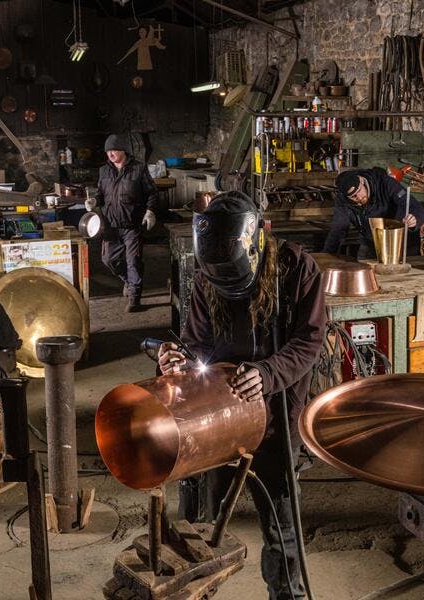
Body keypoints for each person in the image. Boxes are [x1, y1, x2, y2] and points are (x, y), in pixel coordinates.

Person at [157, 193, 325, 600]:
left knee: (281, 525)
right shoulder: (206, 278)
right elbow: (198, 342)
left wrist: (267, 373)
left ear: (257, 242)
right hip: (219, 416)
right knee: (202, 521)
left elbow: (310, 340)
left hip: (275, 414)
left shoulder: (296, 269)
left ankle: (287, 595)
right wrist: (177, 360)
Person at [86, 134, 159, 312]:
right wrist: (94, 201)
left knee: (133, 261)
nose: (110, 154)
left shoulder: (138, 169)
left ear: (123, 150)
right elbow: (100, 194)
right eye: (108, 152)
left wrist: (150, 211)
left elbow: (152, 193)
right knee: (108, 259)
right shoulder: (104, 171)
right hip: (110, 226)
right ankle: (128, 281)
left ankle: (134, 298)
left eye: (113, 151)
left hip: (132, 225)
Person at [323, 167, 424, 259]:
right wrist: (326, 257)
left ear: (361, 180)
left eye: (359, 191)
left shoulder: (385, 183)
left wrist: (414, 219)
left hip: (402, 243)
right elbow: (338, 228)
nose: (359, 197)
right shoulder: (343, 200)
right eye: (353, 196)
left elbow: (414, 206)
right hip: (372, 244)